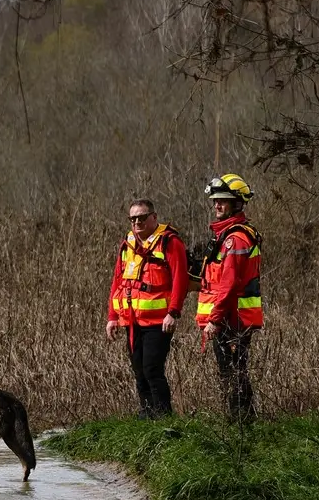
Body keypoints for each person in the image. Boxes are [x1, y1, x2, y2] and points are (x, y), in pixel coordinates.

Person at [105, 198, 189, 418]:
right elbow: (117, 281)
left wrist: (173, 312)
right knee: (139, 371)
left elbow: (180, 279)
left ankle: (163, 417)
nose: (137, 222)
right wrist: (112, 316)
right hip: (132, 320)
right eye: (133, 218)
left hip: (159, 320)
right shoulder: (128, 244)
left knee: (152, 369)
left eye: (142, 217)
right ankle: (146, 415)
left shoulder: (169, 242)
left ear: (154, 217)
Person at [194, 174, 264, 422]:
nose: (217, 206)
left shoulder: (235, 238)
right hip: (231, 317)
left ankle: (242, 423)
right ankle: (242, 422)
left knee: (233, 372)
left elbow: (229, 284)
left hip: (231, 319)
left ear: (237, 204)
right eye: (215, 201)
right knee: (232, 371)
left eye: (223, 201)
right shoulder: (227, 235)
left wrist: (214, 319)